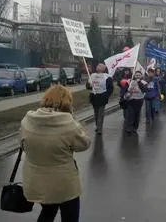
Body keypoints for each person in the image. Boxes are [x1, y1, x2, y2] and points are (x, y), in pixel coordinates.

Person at [20, 85, 91, 222]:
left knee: (47, 212)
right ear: (67, 102)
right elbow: (84, 144)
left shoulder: (27, 121)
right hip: (64, 183)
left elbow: (23, 145)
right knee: (70, 216)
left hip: (37, 181)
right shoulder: (69, 124)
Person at [86, 63, 114, 134]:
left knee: (100, 113)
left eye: (100, 66)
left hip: (102, 97)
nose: (98, 67)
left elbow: (111, 88)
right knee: (96, 113)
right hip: (94, 97)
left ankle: (99, 128)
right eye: (98, 65)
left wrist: (106, 96)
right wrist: (89, 85)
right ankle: (97, 126)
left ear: (103, 69)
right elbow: (87, 86)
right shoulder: (92, 75)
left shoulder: (107, 77)